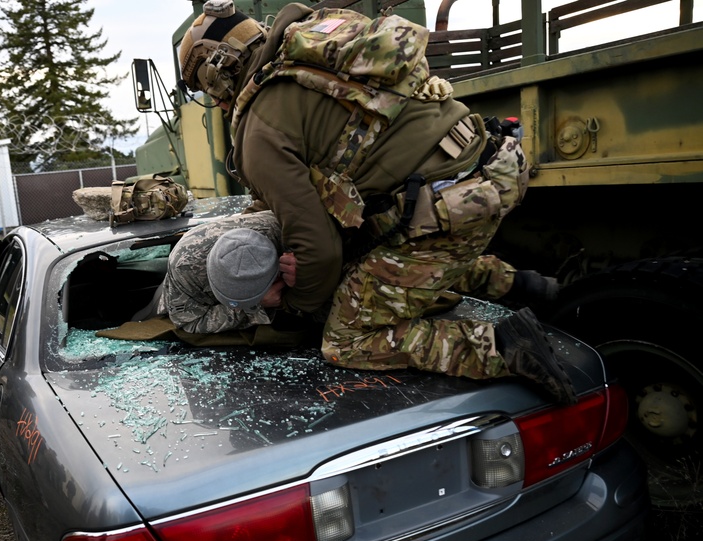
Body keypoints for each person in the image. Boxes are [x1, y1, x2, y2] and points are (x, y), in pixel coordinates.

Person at [178, 0, 574, 404]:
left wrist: (292, 303)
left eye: (207, 92)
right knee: (384, 261)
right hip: (492, 164)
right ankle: (527, 286)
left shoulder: (258, 129)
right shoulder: (314, 40)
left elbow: (320, 252)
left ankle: (505, 347)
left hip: (448, 206)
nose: (219, 103)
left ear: (217, 76)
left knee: (346, 340)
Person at [150, 211, 289, 334]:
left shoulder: (289, 235)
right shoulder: (183, 267)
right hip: (179, 292)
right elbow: (189, 322)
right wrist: (256, 307)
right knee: (148, 318)